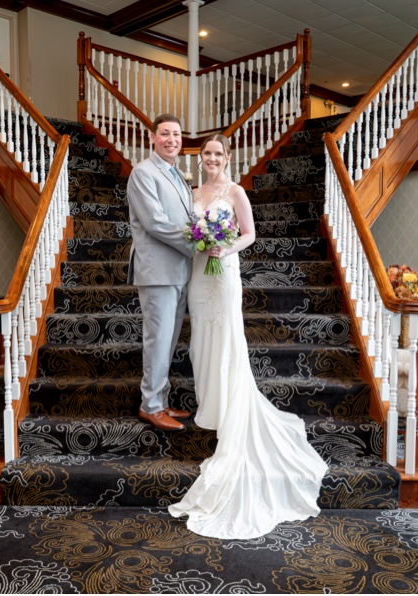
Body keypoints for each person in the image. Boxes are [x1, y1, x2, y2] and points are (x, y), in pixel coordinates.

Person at [166, 134, 330, 540]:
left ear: (227, 158)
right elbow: (187, 232)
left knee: (224, 337)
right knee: (201, 337)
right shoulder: (192, 193)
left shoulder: (235, 190)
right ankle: (209, 403)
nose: (212, 159)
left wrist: (225, 247)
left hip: (225, 274)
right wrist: (199, 240)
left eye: (218, 154)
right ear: (199, 158)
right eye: (206, 153)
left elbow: (250, 233)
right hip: (199, 275)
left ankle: (229, 406)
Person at [126, 114, 196, 431]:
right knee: (157, 339)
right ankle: (150, 405)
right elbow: (155, 223)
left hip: (179, 270)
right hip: (157, 272)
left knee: (168, 341)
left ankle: (162, 400)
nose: (171, 139)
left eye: (176, 134)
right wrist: (198, 244)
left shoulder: (177, 174)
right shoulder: (143, 173)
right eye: (165, 133)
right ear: (152, 137)